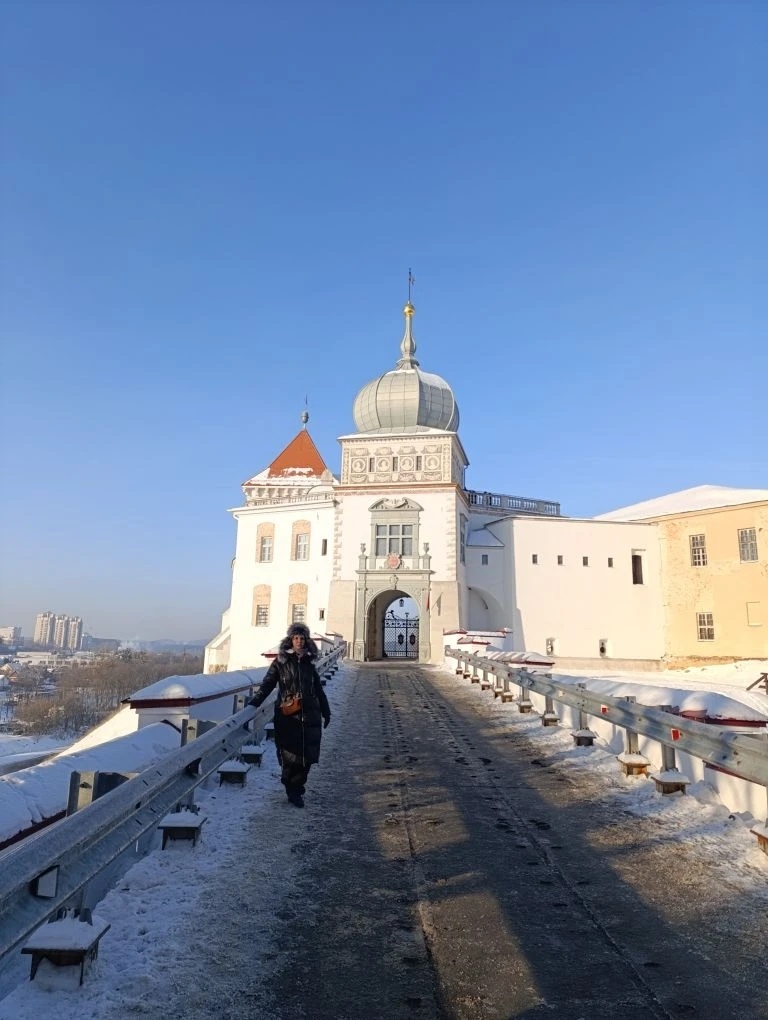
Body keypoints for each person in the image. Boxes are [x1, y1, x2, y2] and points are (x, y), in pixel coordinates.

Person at [247, 623, 331, 807]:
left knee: (306, 756)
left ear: (306, 641)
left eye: (302, 638)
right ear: (290, 640)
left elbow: (318, 689)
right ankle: (290, 787)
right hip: (288, 715)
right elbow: (268, 684)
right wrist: (255, 702)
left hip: (310, 715)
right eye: (296, 638)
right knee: (289, 756)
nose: (299, 641)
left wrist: (326, 711)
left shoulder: (309, 664)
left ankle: (297, 790)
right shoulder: (280, 662)